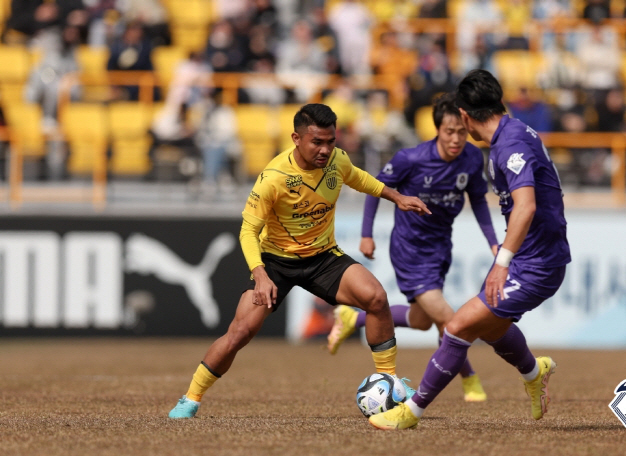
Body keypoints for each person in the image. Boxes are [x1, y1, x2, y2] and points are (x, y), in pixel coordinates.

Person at [168, 103, 431, 419]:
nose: (325, 149)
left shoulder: (336, 161)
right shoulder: (274, 178)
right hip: (276, 264)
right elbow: (248, 231)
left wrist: (397, 197)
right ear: (296, 138)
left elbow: (360, 178)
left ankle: (391, 384)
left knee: (376, 298)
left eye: (331, 141)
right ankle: (190, 398)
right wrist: (261, 275)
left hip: (323, 258)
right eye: (317, 142)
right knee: (240, 333)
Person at [369, 69, 571, 430]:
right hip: (530, 257)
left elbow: (526, 206)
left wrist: (502, 261)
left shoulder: (509, 145)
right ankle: (533, 371)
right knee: (489, 328)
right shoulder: (515, 132)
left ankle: (410, 413)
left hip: (538, 263)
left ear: (464, 115)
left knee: (457, 326)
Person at [327, 93, 499, 403]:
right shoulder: (411, 158)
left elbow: (478, 202)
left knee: (422, 321)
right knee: (450, 318)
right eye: (449, 131)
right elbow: (374, 189)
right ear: (437, 130)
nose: (456, 138)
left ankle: (353, 318)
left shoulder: (473, 158)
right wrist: (366, 235)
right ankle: (470, 378)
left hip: (440, 248)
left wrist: (493, 242)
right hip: (409, 249)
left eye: (461, 131)